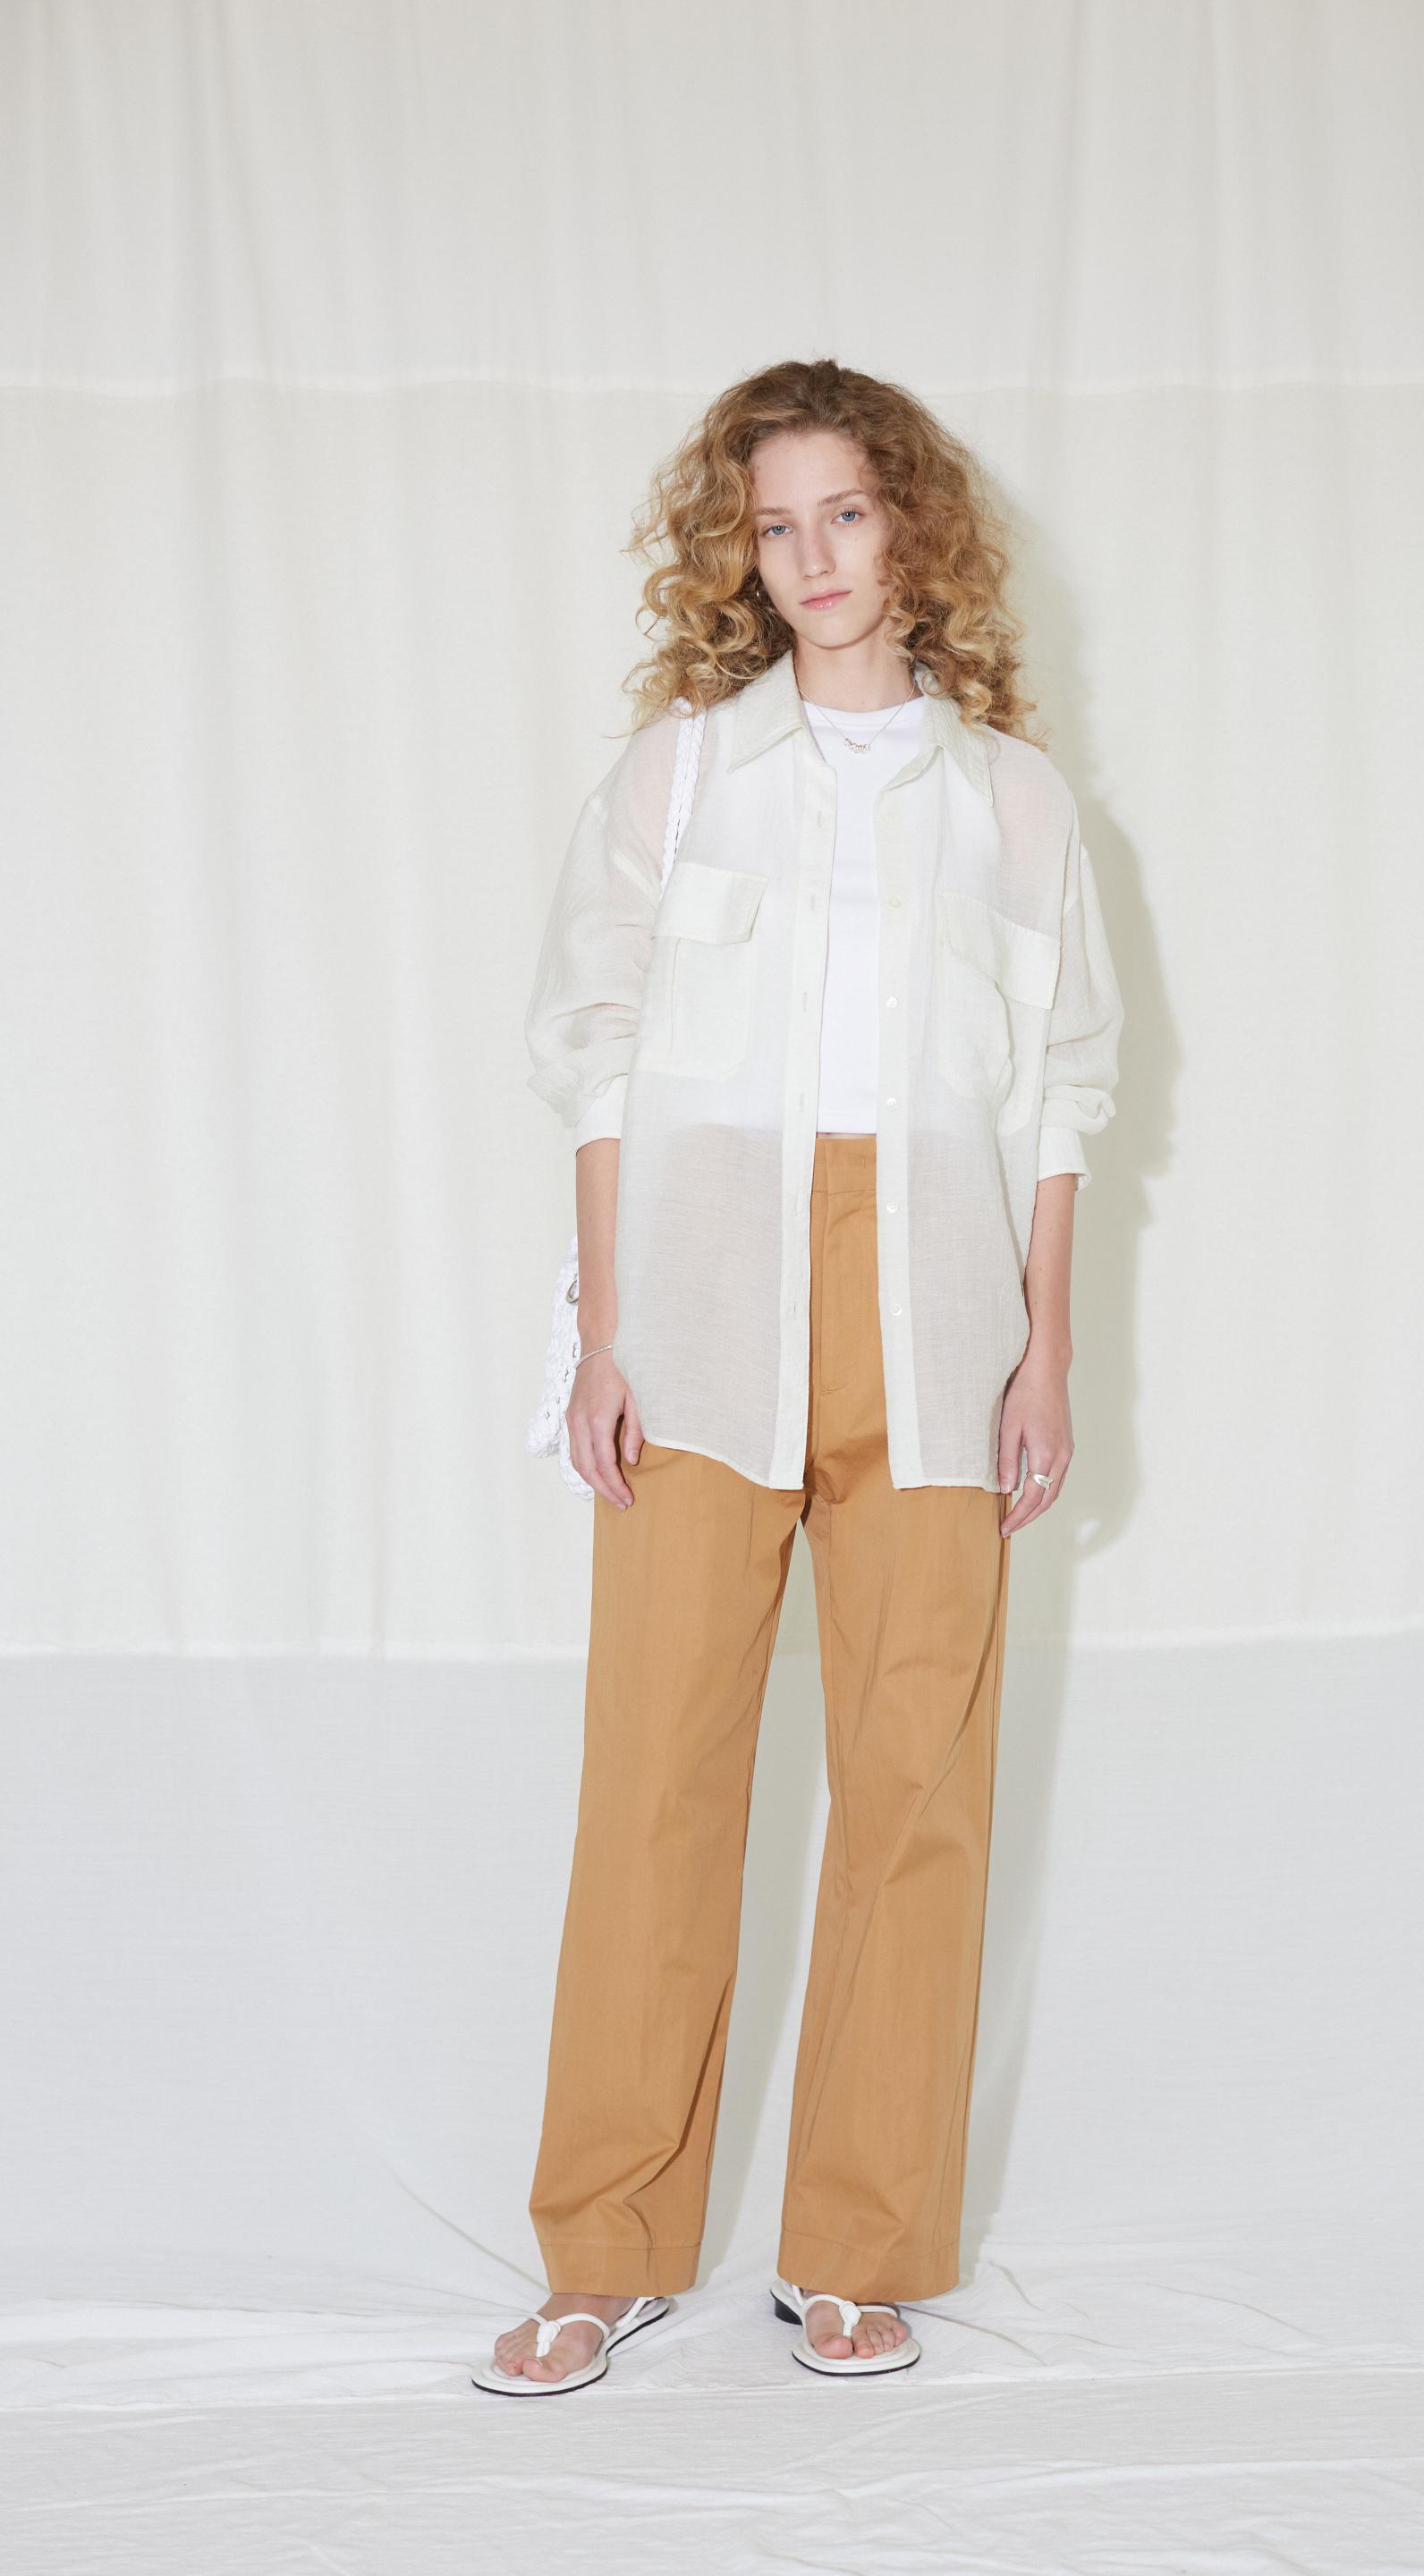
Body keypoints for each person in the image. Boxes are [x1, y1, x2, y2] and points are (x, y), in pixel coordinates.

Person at [474, 357, 1123, 2394]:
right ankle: (604, 2245)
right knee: (655, 1779)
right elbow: (592, 1057)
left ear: (910, 526)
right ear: (737, 553)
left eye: (847, 511)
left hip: (941, 1319)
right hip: (700, 1308)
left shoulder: (1015, 802)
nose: (814, 557)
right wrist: (600, 1336)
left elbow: (1062, 1096)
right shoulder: (680, 777)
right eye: (776, 524)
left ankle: (858, 2247)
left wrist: (1046, 1355)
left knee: (918, 1788)